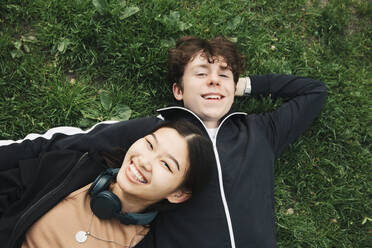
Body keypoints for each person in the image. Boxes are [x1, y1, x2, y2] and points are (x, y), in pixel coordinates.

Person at [0, 36, 327, 247]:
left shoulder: (260, 132)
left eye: (223, 74)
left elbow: (313, 92)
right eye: (201, 73)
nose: (213, 79)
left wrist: (241, 85)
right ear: (178, 91)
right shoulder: (154, 130)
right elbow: (68, 144)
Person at [0, 120, 215, 248]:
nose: (144, 162)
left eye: (166, 165)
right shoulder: (71, 167)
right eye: (150, 144)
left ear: (178, 194)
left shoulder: (146, 241)